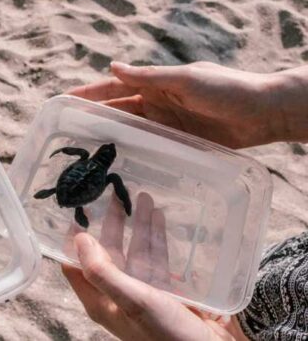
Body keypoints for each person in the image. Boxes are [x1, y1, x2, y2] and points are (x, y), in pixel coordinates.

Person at [63, 61, 308, 341]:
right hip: (268, 283)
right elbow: (115, 184)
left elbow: (114, 183)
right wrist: (276, 106)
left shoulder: (95, 167)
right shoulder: (108, 177)